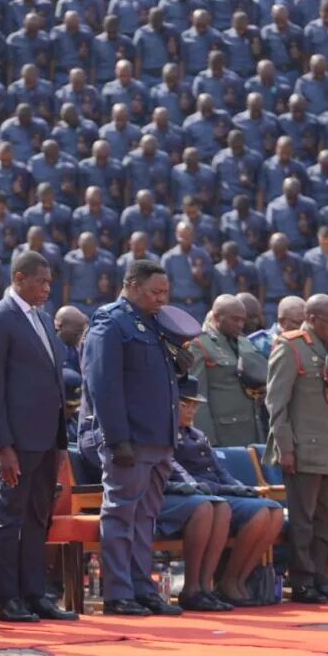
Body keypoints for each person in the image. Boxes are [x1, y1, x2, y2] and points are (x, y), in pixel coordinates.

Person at [80, 260, 191, 616]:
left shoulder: (157, 325)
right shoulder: (110, 322)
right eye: (155, 292)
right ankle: (118, 593)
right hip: (130, 439)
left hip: (159, 438)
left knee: (145, 518)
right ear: (132, 285)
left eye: (165, 293)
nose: (162, 299)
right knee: (120, 515)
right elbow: (103, 384)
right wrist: (116, 439)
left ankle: (142, 588)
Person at [0, 251, 77, 622]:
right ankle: (9, 599)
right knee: (10, 519)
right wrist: (2, 446)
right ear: (19, 278)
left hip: (47, 440)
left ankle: (35, 594)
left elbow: (53, 383)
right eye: (41, 281)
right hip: (17, 443)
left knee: (39, 518)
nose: (48, 288)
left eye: (50, 282)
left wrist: (60, 441)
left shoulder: (43, 318)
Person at [264, 294, 328, 604]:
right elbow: (276, 403)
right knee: (303, 520)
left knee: (325, 520)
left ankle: (323, 578)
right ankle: (303, 582)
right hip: (303, 448)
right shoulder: (291, 347)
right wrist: (285, 448)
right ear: (312, 319)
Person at [171, 377, 284, 606]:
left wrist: (239, 488)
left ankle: (236, 580)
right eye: (185, 405)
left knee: (275, 511)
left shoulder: (197, 434)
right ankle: (206, 585)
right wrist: (224, 489)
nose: (192, 411)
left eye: (195, 406)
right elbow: (179, 471)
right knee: (258, 514)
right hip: (198, 493)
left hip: (216, 491)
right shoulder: (168, 434)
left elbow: (220, 470)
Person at [187, 294, 264, 446]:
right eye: (235, 319)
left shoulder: (244, 342)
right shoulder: (200, 345)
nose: (240, 325)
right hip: (224, 434)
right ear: (217, 317)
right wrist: (207, 441)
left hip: (252, 431)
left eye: (243, 320)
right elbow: (197, 398)